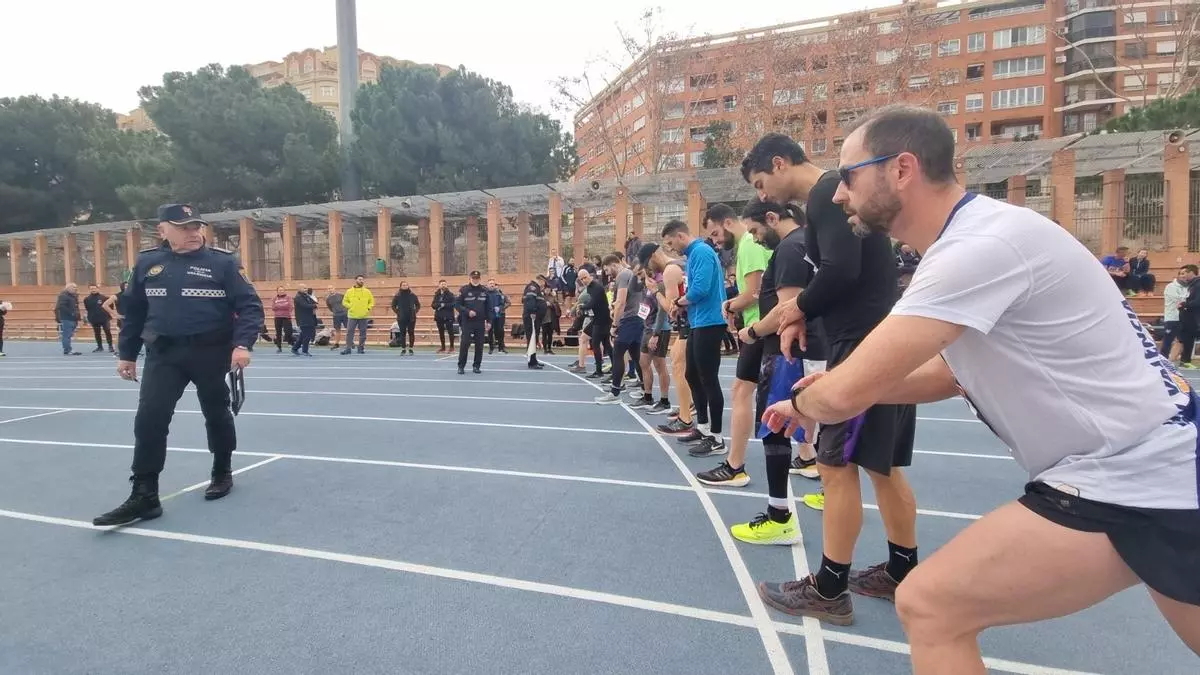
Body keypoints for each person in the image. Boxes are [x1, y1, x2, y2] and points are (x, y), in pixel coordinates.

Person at [762, 105, 1200, 667]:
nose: (840, 194)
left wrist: (809, 399)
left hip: (1138, 472)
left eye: (848, 176)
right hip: (1150, 468)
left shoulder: (977, 248)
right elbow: (950, 374)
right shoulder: (979, 236)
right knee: (934, 605)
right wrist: (833, 387)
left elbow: (845, 397)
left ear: (901, 169)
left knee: (931, 605)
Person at [742, 129, 916, 625]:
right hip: (881, 338)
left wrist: (797, 307)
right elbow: (842, 274)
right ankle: (902, 570)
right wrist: (806, 312)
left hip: (860, 346)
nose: (763, 197)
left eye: (760, 184)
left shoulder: (824, 195)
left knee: (836, 467)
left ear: (779, 163)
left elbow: (840, 271)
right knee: (883, 466)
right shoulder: (831, 198)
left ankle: (829, 588)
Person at [92, 203, 264, 527]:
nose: (193, 232)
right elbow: (134, 311)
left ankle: (222, 470)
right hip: (163, 354)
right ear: (163, 230)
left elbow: (250, 306)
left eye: (196, 226)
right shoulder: (147, 263)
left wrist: (243, 345)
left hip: (210, 352)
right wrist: (126, 354)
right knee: (149, 419)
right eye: (184, 227)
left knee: (216, 413)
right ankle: (144, 494)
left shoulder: (223, 263)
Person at [715, 198, 819, 542]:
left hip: (786, 352)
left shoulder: (790, 248)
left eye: (757, 231)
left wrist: (753, 331)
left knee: (776, 426)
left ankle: (779, 517)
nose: (756, 239)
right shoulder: (809, 242)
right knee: (817, 427)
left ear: (773, 218)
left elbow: (788, 309)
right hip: (807, 349)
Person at [697, 203, 771, 481]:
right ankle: (808, 456)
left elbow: (754, 293)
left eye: (716, 234)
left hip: (760, 326)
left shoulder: (750, 244)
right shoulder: (749, 245)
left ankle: (735, 466)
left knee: (741, 391)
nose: (716, 242)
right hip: (761, 325)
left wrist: (729, 305)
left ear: (727, 222)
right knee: (779, 391)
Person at [661, 220, 727, 455]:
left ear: (681, 236)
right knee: (692, 375)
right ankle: (703, 427)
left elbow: (701, 289)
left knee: (708, 379)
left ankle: (717, 438)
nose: (672, 249)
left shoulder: (701, 252)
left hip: (710, 321)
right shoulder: (693, 255)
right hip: (698, 321)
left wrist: (679, 302)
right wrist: (683, 305)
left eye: (671, 243)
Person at [595, 253, 644, 404]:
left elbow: (621, 302)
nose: (607, 274)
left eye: (607, 270)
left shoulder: (623, 275)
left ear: (614, 265)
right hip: (638, 317)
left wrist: (615, 325)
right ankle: (645, 389)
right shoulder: (630, 274)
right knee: (636, 355)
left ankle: (615, 392)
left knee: (617, 354)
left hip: (629, 319)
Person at [632, 244, 674, 415]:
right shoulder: (647, 284)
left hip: (659, 328)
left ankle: (664, 401)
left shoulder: (660, 283)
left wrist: (656, 334)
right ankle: (647, 396)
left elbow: (663, 311)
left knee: (659, 364)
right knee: (643, 362)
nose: (638, 277)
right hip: (648, 326)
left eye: (640, 272)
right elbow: (636, 292)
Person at [577, 266, 611, 378]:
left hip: (602, 320)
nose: (584, 280)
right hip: (597, 318)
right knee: (585, 337)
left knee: (597, 344)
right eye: (581, 279)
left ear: (589, 276)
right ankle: (611, 367)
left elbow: (593, 303)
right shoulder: (590, 288)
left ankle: (599, 371)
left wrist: (582, 307)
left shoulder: (596, 287)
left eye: (585, 278)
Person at [456, 270, 489, 374]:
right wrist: (467, 312)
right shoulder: (464, 290)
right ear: (470, 278)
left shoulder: (485, 290)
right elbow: (457, 305)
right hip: (467, 321)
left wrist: (489, 321)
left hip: (480, 322)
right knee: (465, 343)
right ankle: (461, 366)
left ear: (480, 279)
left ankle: (476, 366)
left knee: (479, 345)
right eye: (473, 278)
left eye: (477, 278)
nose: (475, 280)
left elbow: (488, 307)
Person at [340, 275, 373, 355]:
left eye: (362, 279)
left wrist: (368, 309)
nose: (361, 281)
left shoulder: (367, 291)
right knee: (349, 332)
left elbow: (371, 302)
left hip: (363, 315)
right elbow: (344, 302)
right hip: (352, 315)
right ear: (356, 280)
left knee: (363, 333)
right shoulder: (349, 291)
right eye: (360, 279)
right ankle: (348, 348)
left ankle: (361, 348)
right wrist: (350, 306)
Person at [521, 274, 548, 369]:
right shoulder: (532, 287)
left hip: (536, 318)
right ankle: (531, 362)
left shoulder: (537, 289)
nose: (544, 285)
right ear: (540, 280)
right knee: (532, 339)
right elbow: (530, 300)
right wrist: (532, 312)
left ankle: (534, 359)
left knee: (534, 338)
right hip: (531, 317)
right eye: (544, 282)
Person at [83, 283, 115, 354]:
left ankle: (110, 346)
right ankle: (100, 347)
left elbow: (111, 306)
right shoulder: (86, 299)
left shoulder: (104, 298)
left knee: (107, 332)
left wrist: (108, 313)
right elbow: (87, 308)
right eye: (91, 288)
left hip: (105, 318)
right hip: (94, 319)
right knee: (97, 333)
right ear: (89, 289)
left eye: (94, 288)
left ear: (98, 289)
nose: (93, 290)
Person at [390, 281, 420, 354]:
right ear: (400, 286)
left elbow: (418, 305)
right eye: (403, 285)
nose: (405, 286)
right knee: (402, 333)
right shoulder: (397, 296)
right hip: (401, 318)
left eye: (406, 285)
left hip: (411, 317)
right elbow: (393, 306)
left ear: (408, 286)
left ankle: (411, 348)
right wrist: (398, 312)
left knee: (411, 333)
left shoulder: (412, 295)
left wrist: (414, 312)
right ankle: (403, 349)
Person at [55, 283, 82, 356]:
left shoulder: (73, 296)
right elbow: (61, 306)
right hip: (67, 318)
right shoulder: (63, 296)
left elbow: (76, 307)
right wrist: (71, 313)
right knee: (66, 335)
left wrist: (78, 317)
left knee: (69, 335)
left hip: (73, 318)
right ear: (68, 288)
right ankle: (67, 350)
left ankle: (68, 349)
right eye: (73, 287)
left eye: (76, 287)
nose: (75, 289)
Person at [431, 279, 457, 353]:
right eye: (442, 284)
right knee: (441, 332)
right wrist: (439, 305)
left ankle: (452, 347)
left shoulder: (450, 294)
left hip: (448, 316)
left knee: (450, 332)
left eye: (444, 284)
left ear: (447, 285)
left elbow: (453, 304)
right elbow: (433, 305)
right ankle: (443, 347)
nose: (443, 285)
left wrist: (444, 305)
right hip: (439, 316)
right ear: (439, 285)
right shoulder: (437, 294)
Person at [485, 279, 510, 354]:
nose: (492, 285)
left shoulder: (499, 294)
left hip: (498, 315)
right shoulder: (485, 294)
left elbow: (502, 304)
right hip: (489, 315)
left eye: (493, 283)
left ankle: (501, 347)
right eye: (490, 283)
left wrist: (499, 308)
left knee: (500, 331)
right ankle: (491, 348)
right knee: (490, 331)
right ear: (487, 285)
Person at [292, 285, 318, 356]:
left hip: (310, 318)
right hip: (303, 319)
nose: (306, 289)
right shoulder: (298, 297)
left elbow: (314, 302)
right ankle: (305, 350)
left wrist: (314, 302)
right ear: (299, 289)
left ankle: (295, 348)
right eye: (304, 288)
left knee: (303, 335)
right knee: (307, 335)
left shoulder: (306, 296)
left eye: (306, 288)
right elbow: (305, 305)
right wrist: (314, 306)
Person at [270, 286, 294, 352]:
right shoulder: (275, 298)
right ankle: (279, 347)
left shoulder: (288, 297)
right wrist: (283, 305)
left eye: (282, 290)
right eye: (280, 290)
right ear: (277, 291)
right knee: (278, 333)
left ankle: (291, 342)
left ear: (284, 291)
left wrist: (279, 306)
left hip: (286, 317)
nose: (281, 291)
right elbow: (273, 308)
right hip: (277, 317)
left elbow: (290, 306)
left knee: (288, 332)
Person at [325, 286, 347, 350]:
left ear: (334, 289)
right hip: (336, 315)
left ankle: (350, 342)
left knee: (348, 329)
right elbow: (329, 307)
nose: (330, 289)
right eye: (329, 288)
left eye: (331, 288)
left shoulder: (341, 295)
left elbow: (347, 302)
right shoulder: (328, 299)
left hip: (345, 314)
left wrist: (345, 310)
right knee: (337, 330)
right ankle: (337, 344)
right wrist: (334, 311)